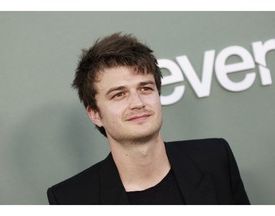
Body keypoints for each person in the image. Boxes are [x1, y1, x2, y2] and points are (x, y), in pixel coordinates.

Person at [47, 32, 250, 205]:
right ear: (95, 114)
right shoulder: (71, 199)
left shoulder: (214, 159)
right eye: (119, 94)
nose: (137, 103)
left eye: (145, 88)